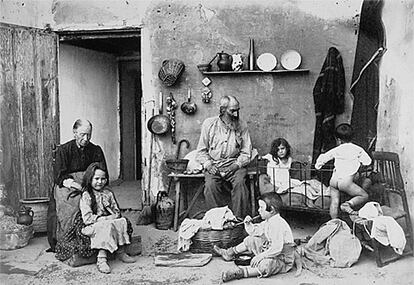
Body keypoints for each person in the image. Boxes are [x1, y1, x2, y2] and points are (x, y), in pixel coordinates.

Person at [47, 119, 108, 251]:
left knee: (102, 200)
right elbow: (59, 176)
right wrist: (77, 186)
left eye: (89, 135)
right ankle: (68, 241)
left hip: (91, 184)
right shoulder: (64, 150)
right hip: (69, 186)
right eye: (82, 134)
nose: (86, 138)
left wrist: (91, 185)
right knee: (71, 205)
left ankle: (99, 240)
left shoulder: (95, 150)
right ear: (74, 132)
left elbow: (102, 172)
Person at [213, 192, 295, 283]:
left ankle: (241, 272)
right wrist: (248, 225)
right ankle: (230, 253)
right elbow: (256, 232)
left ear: (271, 210)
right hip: (270, 250)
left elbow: (277, 248)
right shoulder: (269, 221)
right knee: (251, 240)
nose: (259, 210)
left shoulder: (277, 224)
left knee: (266, 265)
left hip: (282, 258)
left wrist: (260, 256)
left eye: (261, 207)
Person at [196, 95, 253, 218]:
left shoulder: (242, 125)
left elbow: (246, 152)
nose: (236, 114)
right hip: (214, 164)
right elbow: (201, 151)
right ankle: (217, 220)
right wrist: (208, 165)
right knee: (210, 187)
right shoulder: (209, 124)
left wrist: (236, 165)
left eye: (238, 110)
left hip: (235, 165)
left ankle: (239, 221)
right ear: (222, 110)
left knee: (240, 185)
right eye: (232, 111)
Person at [78, 162, 135, 273]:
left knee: (122, 221)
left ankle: (121, 252)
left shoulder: (108, 193)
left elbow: (116, 211)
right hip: (92, 224)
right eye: (96, 179)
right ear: (90, 179)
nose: (100, 182)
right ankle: (101, 259)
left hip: (108, 221)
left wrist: (112, 212)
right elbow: (87, 218)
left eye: (103, 179)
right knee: (106, 225)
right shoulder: (87, 195)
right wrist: (105, 219)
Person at [315, 123, 371, 218]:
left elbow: (322, 158)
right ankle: (348, 204)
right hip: (346, 182)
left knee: (334, 203)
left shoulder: (336, 149)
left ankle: (334, 224)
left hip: (334, 181)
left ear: (338, 140)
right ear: (352, 137)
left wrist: (318, 166)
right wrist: (359, 163)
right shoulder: (358, 149)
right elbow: (368, 161)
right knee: (364, 196)